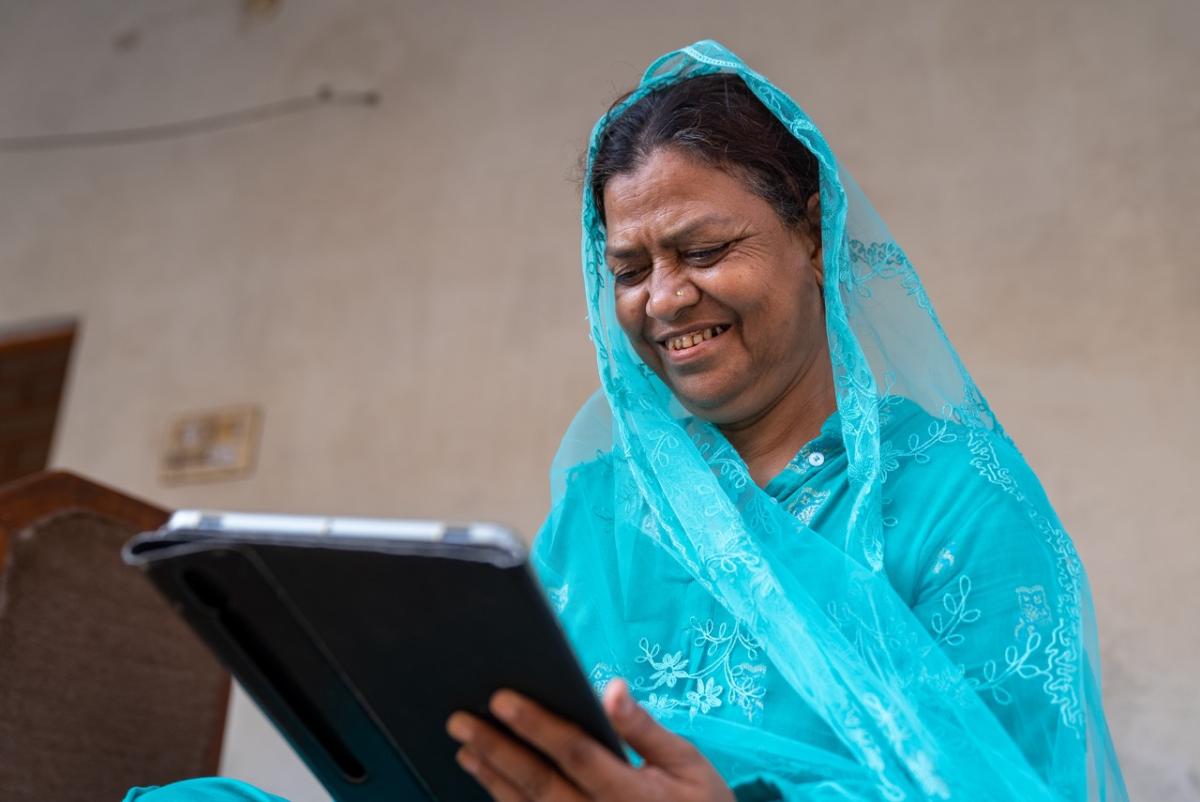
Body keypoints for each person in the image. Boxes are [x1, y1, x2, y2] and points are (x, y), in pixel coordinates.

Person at [129, 41, 1128, 802]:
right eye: (629, 269)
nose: (665, 299)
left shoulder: (958, 506)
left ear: (815, 237)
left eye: (703, 248)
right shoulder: (612, 503)